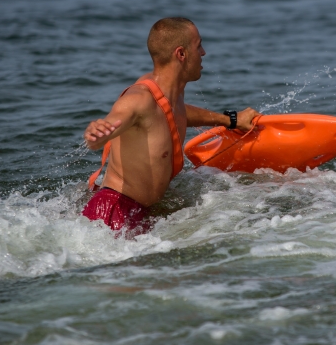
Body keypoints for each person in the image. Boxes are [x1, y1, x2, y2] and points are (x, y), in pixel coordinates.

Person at [82, 17, 260, 235]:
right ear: (181, 54)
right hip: (113, 213)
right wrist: (97, 135)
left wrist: (230, 120)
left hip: (143, 211)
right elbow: (114, 122)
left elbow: (177, 113)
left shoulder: (169, 93)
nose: (203, 53)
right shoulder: (139, 98)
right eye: (199, 46)